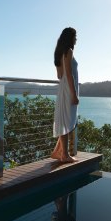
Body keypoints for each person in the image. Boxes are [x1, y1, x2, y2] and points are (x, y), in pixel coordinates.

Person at [51, 27, 79, 162]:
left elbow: (59, 75)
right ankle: (65, 155)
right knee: (68, 120)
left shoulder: (59, 53)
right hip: (68, 88)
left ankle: (58, 152)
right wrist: (74, 94)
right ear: (70, 37)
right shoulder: (69, 51)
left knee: (64, 119)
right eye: (75, 36)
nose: (76, 38)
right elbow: (69, 74)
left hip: (62, 87)